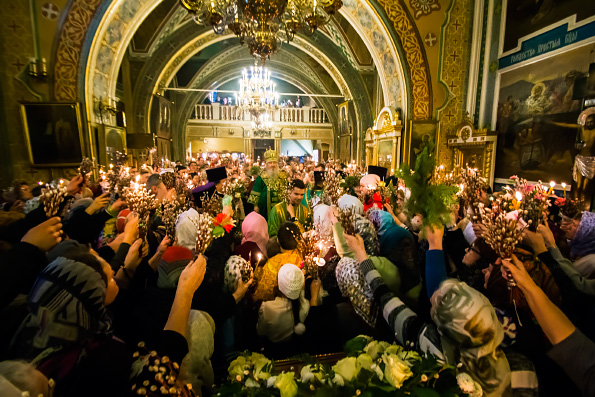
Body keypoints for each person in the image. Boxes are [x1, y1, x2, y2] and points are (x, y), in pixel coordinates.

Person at [253, 222, 303, 302]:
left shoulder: (272, 264)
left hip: (278, 303)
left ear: (277, 240)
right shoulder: (301, 251)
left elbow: (264, 293)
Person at [248, 149, 284, 220]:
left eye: (274, 162)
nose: (273, 165)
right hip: (265, 207)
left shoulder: (283, 175)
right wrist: (255, 206)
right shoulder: (261, 176)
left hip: (280, 205)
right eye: (270, 163)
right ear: (266, 164)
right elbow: (256, 191)